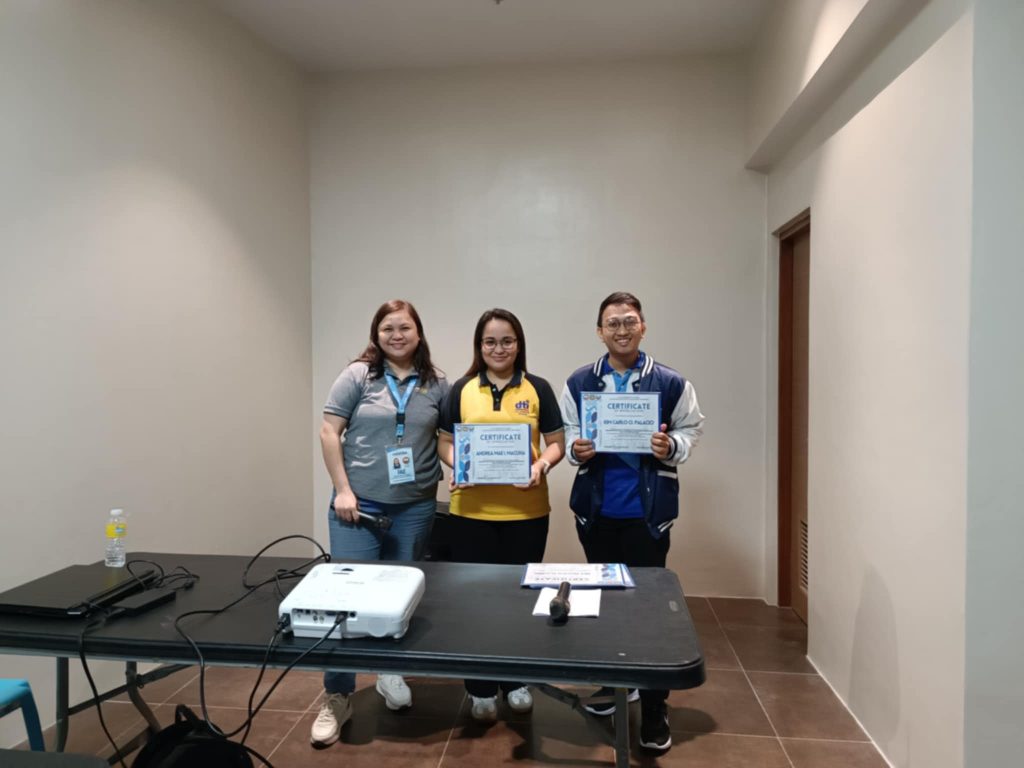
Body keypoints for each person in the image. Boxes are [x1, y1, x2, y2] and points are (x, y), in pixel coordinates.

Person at [560, 291, 704, 753]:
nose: (621, 330)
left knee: (647, 615)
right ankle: (616, 685)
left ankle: (656, 707)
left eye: (629, 321)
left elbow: (691, 428)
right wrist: (575, 450)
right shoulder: (581, 380)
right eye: (612, 323)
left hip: (647, 517)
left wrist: (671, 448)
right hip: (597, 513)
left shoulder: (669, 382)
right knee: (604, 603)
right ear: (599, 331)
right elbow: (566, 435)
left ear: (643, 326)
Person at [313, 299, 448, 748]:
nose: (396, 335)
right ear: (376, 334)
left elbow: (449, 439)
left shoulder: (437, 384)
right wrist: (343, 490)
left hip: (414, 507)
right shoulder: (357, 376)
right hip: (358, 506)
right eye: (387, 328)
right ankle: (337, 695)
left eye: (404, 327)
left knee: (399, 596)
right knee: (344, 600)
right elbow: (329, 431)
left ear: (418, 332)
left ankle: (390, 672)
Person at [438, 308, 565, 723]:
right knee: (474, 603)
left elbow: (555, 443)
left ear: (519, 344)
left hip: (526, 513)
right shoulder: (460, 389)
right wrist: (458, 465)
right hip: (470, 513)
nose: (498, 348)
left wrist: (540, 466)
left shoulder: (539, 387)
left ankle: (516, 680)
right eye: (490, 341)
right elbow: (444, 441)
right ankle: (479, 687)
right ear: (479, 346)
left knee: (519, 600)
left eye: (507, 341)